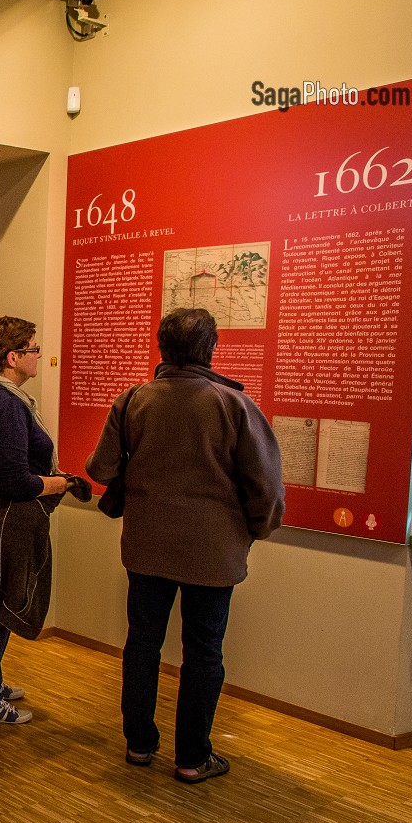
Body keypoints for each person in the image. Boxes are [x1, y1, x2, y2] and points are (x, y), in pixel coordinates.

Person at [86, 307, 284, 783]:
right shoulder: (234, 405)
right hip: (212, 554)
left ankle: (139, 745)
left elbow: (99, 469)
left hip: (146, 547)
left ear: (162, 347)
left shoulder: (134, 400)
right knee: (203, 653)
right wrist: (256, 530)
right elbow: (267, 489)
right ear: (211, 347)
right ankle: (193, 758)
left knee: (142, 646)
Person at [0, 317, 86, 726]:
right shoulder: (8, 404)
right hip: (5, 517)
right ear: (13, 357)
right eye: (33, 348)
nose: (39, 354)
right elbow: (16, 482)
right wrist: (58, 483)